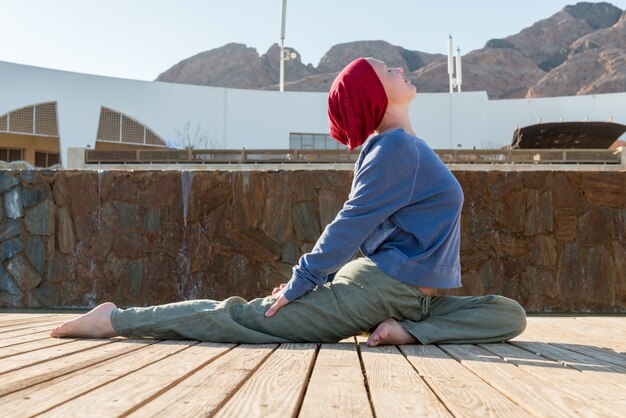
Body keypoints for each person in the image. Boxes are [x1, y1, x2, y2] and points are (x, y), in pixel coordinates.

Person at [51, 57, 526, 346]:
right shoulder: (395, 148)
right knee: (246, 318)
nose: (400, 69)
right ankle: (113, 320)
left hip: (411, 302)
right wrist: (302, 282)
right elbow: (350, 223)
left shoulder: (403, 148)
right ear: (374, 95)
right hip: (377, 290)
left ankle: (406, 331)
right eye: (387, 70)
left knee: (509, 313)